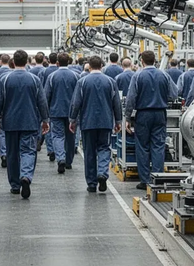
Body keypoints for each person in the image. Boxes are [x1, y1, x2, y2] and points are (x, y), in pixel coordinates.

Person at [0, 49, 49, 199]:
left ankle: (15, 185)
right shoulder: (34, 80)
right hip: (30, 122)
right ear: (27, 62)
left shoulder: (4, 80)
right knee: (29, 151)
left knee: (12, 154)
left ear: (13, 62)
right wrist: (45, 120)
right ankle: (26, 176)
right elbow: (42, 102)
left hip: (10, 123)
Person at [125, 51, 178, 189]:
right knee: (158, 146)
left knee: (142, 147)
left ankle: (145, 180)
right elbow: (174, 94)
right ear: (155, 60)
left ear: (142, 61)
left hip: (143, 114)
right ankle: (158, 178)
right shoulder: (164, 75)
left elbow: (131, 99)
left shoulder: (137, 76)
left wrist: (127, 117)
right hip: (160, 113)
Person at [69, 56, 122, 193]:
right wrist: (118, 121)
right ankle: (102, 174)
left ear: (89, 66)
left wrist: (72, 119)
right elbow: (116, 103)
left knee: (89, 152)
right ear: (102, 66)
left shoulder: (82, 81)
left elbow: (76, 103)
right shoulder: (110, 82)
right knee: (104, 148)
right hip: (105, 122)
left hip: (88, 122)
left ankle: (92, 183)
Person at [44, 52, 79, 173]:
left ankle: (60, 159)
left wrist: (45, 113)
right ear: (69, 62)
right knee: (70, 137)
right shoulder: (76, 76)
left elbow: (46, 96)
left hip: (56, 111)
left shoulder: (52, 77)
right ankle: (68, 161)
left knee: (57, 136)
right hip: (71, 113)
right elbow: (79, 96)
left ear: (57, 63)